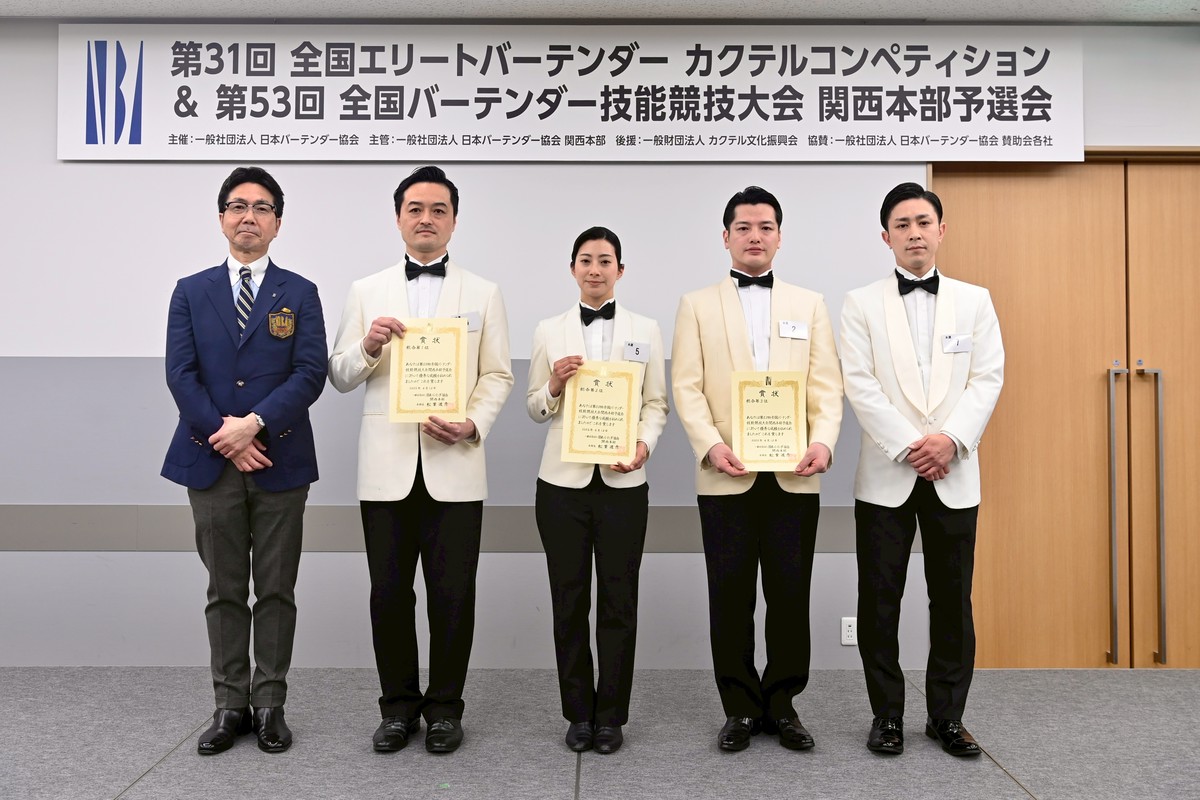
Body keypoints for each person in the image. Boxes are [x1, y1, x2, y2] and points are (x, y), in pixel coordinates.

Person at [328, 165, 513, 755]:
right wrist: (368, 346)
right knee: (388, 595)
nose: (426, 218)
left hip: (455, 466)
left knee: (454, 596)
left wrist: (473, 424)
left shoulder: (484, 292)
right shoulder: (366, 290)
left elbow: (498, 375)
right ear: (398, 218)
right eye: (415, 208)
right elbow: (339, 374)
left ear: (454, 221)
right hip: (385, 469)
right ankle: (397, 708)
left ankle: (446, 710)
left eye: (438, 209)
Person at [162, 166, 327, 755]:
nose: (248, 217)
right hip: (210, 462)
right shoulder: (190, 290)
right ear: (222, 219)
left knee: (277, 589)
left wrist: (253, 424)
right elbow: (180, 374)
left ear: (277, 223)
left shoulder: (300, 292)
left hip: (280, 459)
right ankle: (229, 705)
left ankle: (270, 705)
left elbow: (310, 373)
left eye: (261, 208)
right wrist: (224, 434)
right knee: (225, 589)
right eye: (238, 206)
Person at [671, 186, 843, 752]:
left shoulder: (809, 304)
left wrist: (823, 442)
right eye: (743, 227)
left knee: (791, 596)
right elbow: (687, 387)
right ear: (726, 237)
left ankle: (784, 704)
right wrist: (709, 445)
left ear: (779, 237)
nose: (755, 236)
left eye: (765, 227)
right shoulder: (696, 304)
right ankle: (740, 708)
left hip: (796, 472)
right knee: (730, 596)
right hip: (726, 472)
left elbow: (826, 387)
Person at [839, 182, 1004, 757]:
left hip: (954, 473)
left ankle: (947, 718)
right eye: (902, 224)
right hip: (887, 474)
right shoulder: (859, 303)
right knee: (879, 601)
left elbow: (988, 378)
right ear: (886, 236)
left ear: (941, 230)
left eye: (923, 222)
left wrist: (950, 441)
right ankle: (886, 715)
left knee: (953, 601)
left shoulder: (975, 300)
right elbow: (859, 384)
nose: (914, 233)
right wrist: (914, 446)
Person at [526, 227, 669, 755]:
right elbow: (534, 407)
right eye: (585, 260)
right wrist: (554, 385)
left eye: (605, 260)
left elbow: (656, 404)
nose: (595, 269)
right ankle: (577, 714)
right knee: (568, 602)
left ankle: (611, 715)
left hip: (623, 483)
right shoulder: (549, 329)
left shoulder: (646, 329)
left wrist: (644, 445)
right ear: (573, 269)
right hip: (561, 486)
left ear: (620, 270)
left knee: (618, 601)